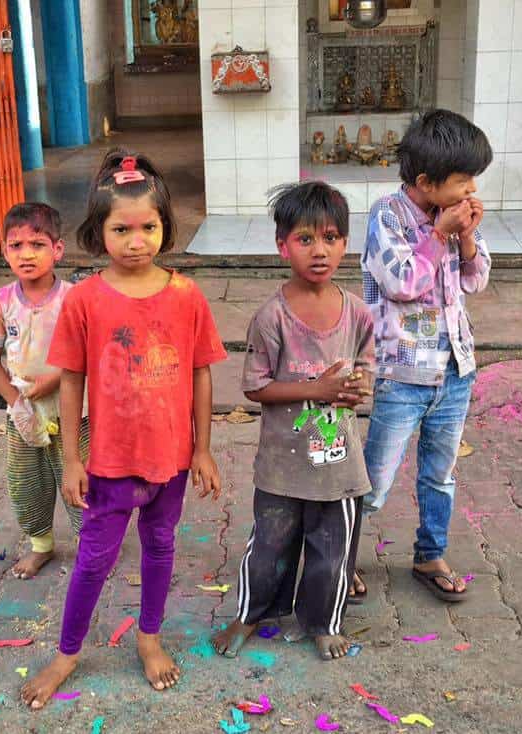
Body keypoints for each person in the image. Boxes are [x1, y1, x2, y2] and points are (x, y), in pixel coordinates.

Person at [21, 149, 227, 708]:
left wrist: (203, 449)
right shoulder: (85, 300)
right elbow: (69, 383)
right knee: (94, 559)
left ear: (165, 227)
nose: (136, 241)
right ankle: (67, 652)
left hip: (173, 460)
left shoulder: (186, 296)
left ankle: (149, 636)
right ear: (98, 232)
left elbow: (202, 374)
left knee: (160, 547)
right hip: (109, 463)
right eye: (121, 229)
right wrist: (71, 460)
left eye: (149, 227)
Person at [212, 181, 376, 661]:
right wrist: (317, 390)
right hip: (283, 466)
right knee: (268, 548)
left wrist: (359, 385)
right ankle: (252, 614)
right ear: (282, 246)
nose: (319, 250)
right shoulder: (272, 318)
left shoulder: (359, 314)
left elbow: (367, 368)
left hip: (339, 466)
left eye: (330, 237)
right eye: (305, 239)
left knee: (333, 554)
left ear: (346, 243)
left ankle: (324, 623)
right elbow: (255, 387)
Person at [358, 108, 492, 602]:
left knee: (439, 475)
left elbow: (476, 280)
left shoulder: (454, 217)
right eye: (462, 180)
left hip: (456, 370)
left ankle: (430, 553)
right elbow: (402, 284)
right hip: (402, 374)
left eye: (473, 179)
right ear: (425, 181)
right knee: (374, 482)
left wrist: (467, 236)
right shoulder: (387, 216)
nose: (470, 191)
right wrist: (439, 236)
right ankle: (341, 555)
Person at [0, 202, 89, 580]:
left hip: (75, 412)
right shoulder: (1, 301)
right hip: (24, 415)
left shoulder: (74, 298)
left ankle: (91, 546)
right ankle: (41, 545)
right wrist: (16, 401)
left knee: (81, 480)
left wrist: (54, 380)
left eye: (37, 244)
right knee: (27, 483)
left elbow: (89, 353)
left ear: (57, 250)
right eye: (16, 245)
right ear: (4, 252)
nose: (26, 254)